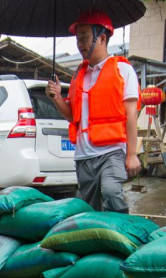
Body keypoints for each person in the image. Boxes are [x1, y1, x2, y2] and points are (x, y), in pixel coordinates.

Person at [45, 9, 141, 214]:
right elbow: (72, 115)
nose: (80, 45)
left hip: (112, 151)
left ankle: (122, 236)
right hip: (83, 155)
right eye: (77, 40)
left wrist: (132, 154)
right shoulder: (78, 75)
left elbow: (131, 115)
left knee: (112, 192)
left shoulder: (122, 70)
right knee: (88, 209)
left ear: (102, 38)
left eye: (85, 38)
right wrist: (57, 98)